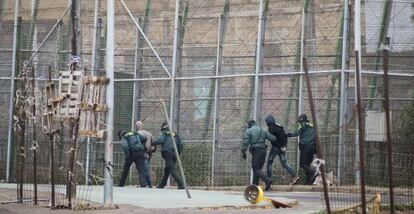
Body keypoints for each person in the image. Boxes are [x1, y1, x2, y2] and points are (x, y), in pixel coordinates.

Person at [241, 120, 276, 191]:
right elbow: (273, 138)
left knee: (255, 168)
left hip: (256, 151)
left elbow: (246, 142)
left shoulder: (249, 131)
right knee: (258, 169)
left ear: (250, 125)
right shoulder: (263, 130)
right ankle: (255, 187)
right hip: (263, 151)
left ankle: (267, 180)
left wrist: (243, 151)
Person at [264, 115, 299, 185]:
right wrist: (284, 146)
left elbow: (274, 140)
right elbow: (285, 136)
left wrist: (279, 146)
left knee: (270, 162)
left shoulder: (270, 128)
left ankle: (268, 179)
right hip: (282, 148)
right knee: (284, 163)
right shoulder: (279, 127)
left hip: (276, 148)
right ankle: (294, 175)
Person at [287, 113, 316, 185]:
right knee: (307, 164)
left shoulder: (302, 125)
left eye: (300, 122)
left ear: (302, 120)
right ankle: (308, 181)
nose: (300, 123)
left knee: (302, 164)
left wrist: (287, 134)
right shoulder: (312, 126)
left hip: (305, 147)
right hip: (312, 147)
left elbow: (296, 133)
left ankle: (313, 172)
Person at [153, 122, 184, 189]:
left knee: (171, 169)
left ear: (163, 127)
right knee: (167, 169)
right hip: (174, 154)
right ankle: (162, 185)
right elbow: (180, 145)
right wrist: (177, 154)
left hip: (167, 152)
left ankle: (181, 184)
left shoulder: (164, 132)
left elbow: (160, 140)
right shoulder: (175, 134)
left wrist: (152, 143)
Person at [135, 121, 155, 188]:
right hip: (147, 153)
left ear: (137, 127)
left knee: (142, 169)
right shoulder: (149, 134)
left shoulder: (136, 134)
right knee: (145, 168)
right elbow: (154, 143)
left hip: (139, 154)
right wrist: (151, 151)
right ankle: (147, 184)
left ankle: (145, 184)